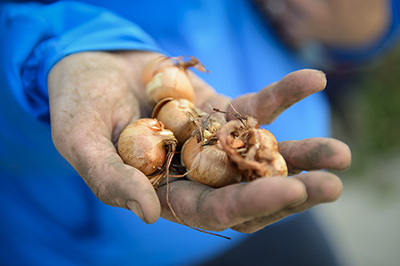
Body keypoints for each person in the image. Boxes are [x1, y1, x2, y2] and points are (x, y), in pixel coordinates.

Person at [2, 0, 383, 265]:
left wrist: (371, 26)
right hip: (66, 243)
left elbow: (371, 24)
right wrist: (49, 59)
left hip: (264, 218)